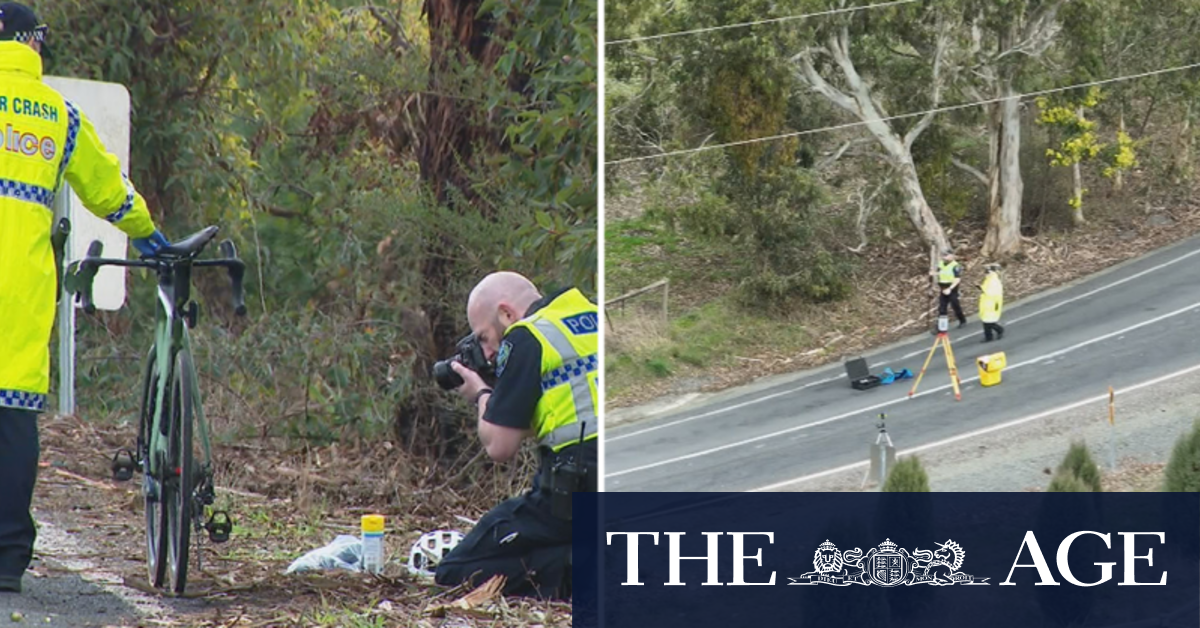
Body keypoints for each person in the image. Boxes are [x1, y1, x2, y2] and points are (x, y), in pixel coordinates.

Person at [0, 2, 170, 594]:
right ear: (32, 44)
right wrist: (149, 234)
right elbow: (106, 189)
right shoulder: (56, 115)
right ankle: (7, 558)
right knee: (14, 417)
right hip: (20, 289)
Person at [437, 271, 598, 598]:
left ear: (506, 314)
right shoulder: (589, 315)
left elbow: (500, 446)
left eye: (483, 337)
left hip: (573, 492)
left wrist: (482, 394)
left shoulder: (526, 337)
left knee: (455, 570)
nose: (489, 353)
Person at [931, 250, 966, 329]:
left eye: (946, 255)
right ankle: (941, 325)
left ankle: (962, 320)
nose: (945, 257)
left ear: (952, 256)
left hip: (951, 287)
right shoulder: (941, 264)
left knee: (955, 305)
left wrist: (950, 289)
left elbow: (957, 279)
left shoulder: (955, 266)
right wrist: (933, 273)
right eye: (944, 255)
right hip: (943, 287)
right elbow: (940, 272)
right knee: (942, 307)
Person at [978, 263, 1005, 342]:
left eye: (988, 272)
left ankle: (994, 333)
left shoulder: (994, 281)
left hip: (992, 303)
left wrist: (983, 290)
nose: (986, 274)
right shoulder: (989, 280)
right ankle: (991, 335)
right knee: (986, 320)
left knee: (988, 321)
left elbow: (992, 292)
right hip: (987, 302)